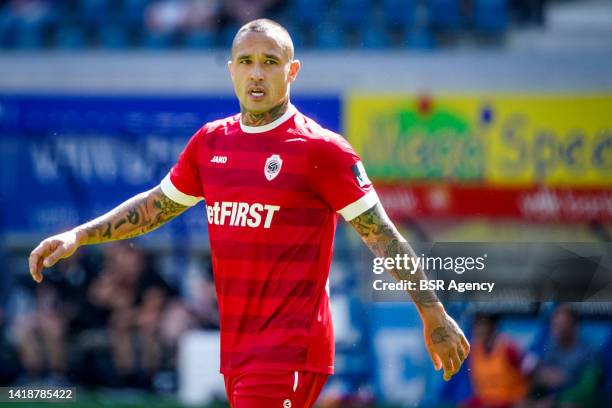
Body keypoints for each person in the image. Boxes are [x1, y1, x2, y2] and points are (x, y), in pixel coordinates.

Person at [28, 18, 469, 407]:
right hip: (238, 351)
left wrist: (433, 314)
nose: (257, 74)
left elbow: (383, 236)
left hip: (289, 351)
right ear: (231, 70)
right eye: (246, 62)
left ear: (291, 71)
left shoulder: (321, 151)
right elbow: (156, 206)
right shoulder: (210, 143)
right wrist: (79, 236)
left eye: (270, 62)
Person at [463, 313, 528, 408]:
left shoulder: (509, 348)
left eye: (482, 325)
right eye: (476, 325)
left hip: (509, 402)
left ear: (492, 326)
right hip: (485, 402)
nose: (478, 329)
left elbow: (528, 373)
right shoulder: (473, 350)